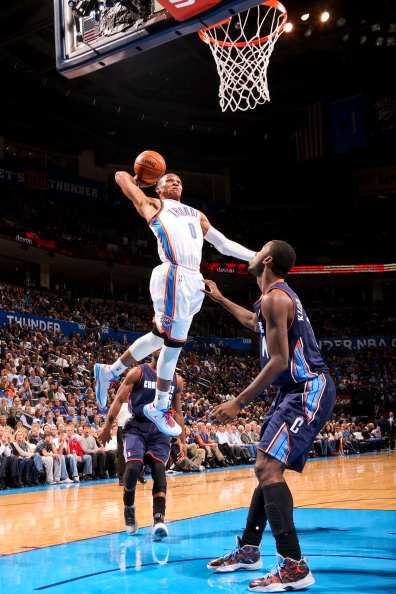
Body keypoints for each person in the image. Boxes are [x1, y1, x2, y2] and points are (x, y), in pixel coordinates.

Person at [202, 240, 336, 593]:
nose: (252, 254)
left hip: (307, 388)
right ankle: (249, 549)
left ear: (268, 260)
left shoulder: (277, 298)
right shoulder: (270, 300)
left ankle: (293, 565)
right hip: (291, 391)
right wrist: (220, 299)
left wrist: (239, 402)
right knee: (265, 466)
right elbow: (253, 321)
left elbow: (277, 359)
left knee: (267, 468)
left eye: (258, 250)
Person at [94, 170, 255, 436]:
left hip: (194, 279)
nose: (176, 182)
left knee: (160, 337)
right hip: (173, 274)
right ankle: (159, 405)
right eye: (169, 180)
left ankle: (109, 372)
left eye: (179, 180)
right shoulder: (153, 204)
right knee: (174, 344)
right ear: (157, 188)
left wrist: (255, 255)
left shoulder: (195, 213)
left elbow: (224, 244)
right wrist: (139, 179)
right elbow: (120, 176)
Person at [98, 349, 186, 540]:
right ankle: (129, 508)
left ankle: (159, 519)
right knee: (133, 466)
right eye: (158, 344)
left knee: (158, 468)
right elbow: (119, 399)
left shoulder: (176, 379)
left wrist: (183, 440)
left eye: (165, 344)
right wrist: (107, 426)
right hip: (137, 426)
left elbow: (178, 412)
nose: (161, 347)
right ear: (152, 349)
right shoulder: (138, 372)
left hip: (160, 429)